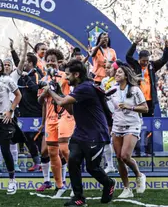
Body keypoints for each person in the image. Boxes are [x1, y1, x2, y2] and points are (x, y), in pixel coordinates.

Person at [44, 59, 116, 206]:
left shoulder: (85, 87)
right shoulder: (78, 88)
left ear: (76, 74)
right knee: (73, 162)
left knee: (92, 167)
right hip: (81, 132)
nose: (66, 77)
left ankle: (109, 183)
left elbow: (62, 103)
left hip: (95, 134)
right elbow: (70, 110)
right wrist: (58, 92)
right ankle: (78, 197)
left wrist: (50, 90)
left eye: (68, 74)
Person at [37, 49, 74, 196]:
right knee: (52, 152)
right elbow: (40, 101)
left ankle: (75, 183)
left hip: (64, 115)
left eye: (53, 59)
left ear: (59, 61)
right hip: (50, 119)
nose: (51, 62)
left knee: (65, 150)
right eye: (48, 59)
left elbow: (71, 94)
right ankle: (60, 186)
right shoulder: (43, 79)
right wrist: (45, 93)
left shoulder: (65, 76)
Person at [109, 65, 148, 198]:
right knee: (119, 158)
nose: (117, 73)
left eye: (120, 72)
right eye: (116, 72)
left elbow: (145, 108)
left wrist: (130, 107)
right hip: (117, 125)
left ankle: (139, 175)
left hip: (132, 125)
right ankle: (127, 189)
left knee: (125, 156)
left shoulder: (135, 89)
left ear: (126, 75)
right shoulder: (112, 89)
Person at [126, 36, 168, 155]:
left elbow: (164, 59)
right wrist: (134, 44)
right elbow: (128, 57)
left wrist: (166, 48)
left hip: (150, 101)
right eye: (143, 60)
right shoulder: (136, 65)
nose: (145, 62)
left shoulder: (152, 66)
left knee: (150, 126)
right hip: (138, 101)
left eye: (147, 60)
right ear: (139, 59)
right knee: (137, 124)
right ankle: (137, 148)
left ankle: (149, 149)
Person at [0, 57, 22, 194]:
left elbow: (18, 95)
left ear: (0, 68)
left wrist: (10, 110)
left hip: (4, 119)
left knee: (5, 150)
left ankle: (12, 181)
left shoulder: (7, 80)